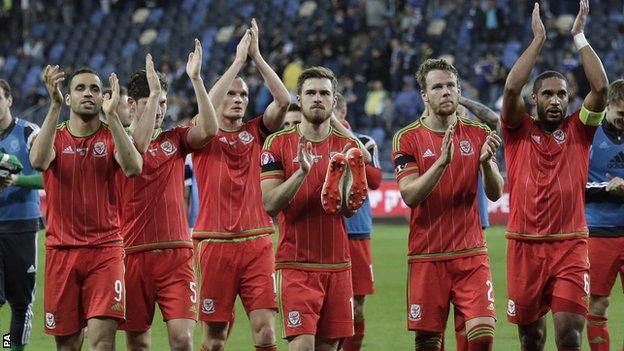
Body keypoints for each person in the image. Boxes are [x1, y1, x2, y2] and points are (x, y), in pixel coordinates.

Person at [500, 1, 609, 350]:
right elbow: (510, 90)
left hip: (570, 245)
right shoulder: (517, 129)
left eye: (562, 94)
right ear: (535, 99)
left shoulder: (580, 129)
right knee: (531, 338)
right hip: (524, 246)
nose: (555, 100)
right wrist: (538, 40)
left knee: (569, 335)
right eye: (547, 94)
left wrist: (578, 36)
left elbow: (602, 89)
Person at [29, 66, 145, 351]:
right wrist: (54, 106)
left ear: (104, 96)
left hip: (105, 252)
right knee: (67, 346)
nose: (88, 94)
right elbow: (39, 162)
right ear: (68, 98)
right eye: (80, 88)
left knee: (102, 344)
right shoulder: (53, 135)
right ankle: (9, 344)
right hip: (61, 253)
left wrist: (114, 117)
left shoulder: (112, 135)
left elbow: (133, 168)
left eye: (95, 89)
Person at [192, 19, 290, 351]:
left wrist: (257, 57)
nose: (238, 99)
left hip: (257, 241)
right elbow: (203, 108)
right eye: (231, 94)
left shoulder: (256, 132)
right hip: (214, 242)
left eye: (243, 94)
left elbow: (284, 101)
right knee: (216, 339)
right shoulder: (203, 134)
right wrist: (236, 63)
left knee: (265, 332)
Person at [392, 58, 503, 351]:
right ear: (424, 95)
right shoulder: (406, 138)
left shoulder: (478, 133)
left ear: (459, 90)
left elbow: (495, 193)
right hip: (427, 256)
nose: (446, 92)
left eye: (451, 85)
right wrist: (441, 163)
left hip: (471, 254)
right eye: (437, 87)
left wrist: (488, 168)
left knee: (483, 336)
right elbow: (410, 194)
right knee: (428, 343)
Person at [117, 40, 218, 351]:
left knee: (183, 339)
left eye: (163, 102)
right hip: (132, 255)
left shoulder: (176, 138)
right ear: (132, 105)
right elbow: (140, 146)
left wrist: (197, 80)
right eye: (152, 101)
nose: (160, 108)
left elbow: (210, 130)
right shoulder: (117, 141)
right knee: (139, 344)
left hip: (177, 254)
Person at [260, 66, 368, 351]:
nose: (317, 98)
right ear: (300, 98)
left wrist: (347, 200)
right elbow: (270, 203)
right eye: (311, 93)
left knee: (328, 348)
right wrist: (301, 173)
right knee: (303, 347)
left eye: (324, 93)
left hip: (338, 265)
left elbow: (350, 208)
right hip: (295, 265)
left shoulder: (347, 146)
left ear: (334, 102)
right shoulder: (277, 143)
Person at [333, 93, 381, 351]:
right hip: (328, 233)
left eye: (336, 112)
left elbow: (374, 180)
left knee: (357, 307)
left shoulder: (364, 142)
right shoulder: (318, 141)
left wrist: (349, 149)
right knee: (329, 307)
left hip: (357, 233)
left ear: (343, 112)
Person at [0, 79, 42, 351]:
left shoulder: (29, 132)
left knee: (20, 302)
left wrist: (18, 181)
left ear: (9, 100)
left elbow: (52, 176)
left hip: (22, 226)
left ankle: (10, 347)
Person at [584, 78, 624, 351]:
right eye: (622, 114)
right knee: (598, 303)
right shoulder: (589, 137)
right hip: (599, 233)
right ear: (608, 104)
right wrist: (608, 189)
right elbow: (576, 186)